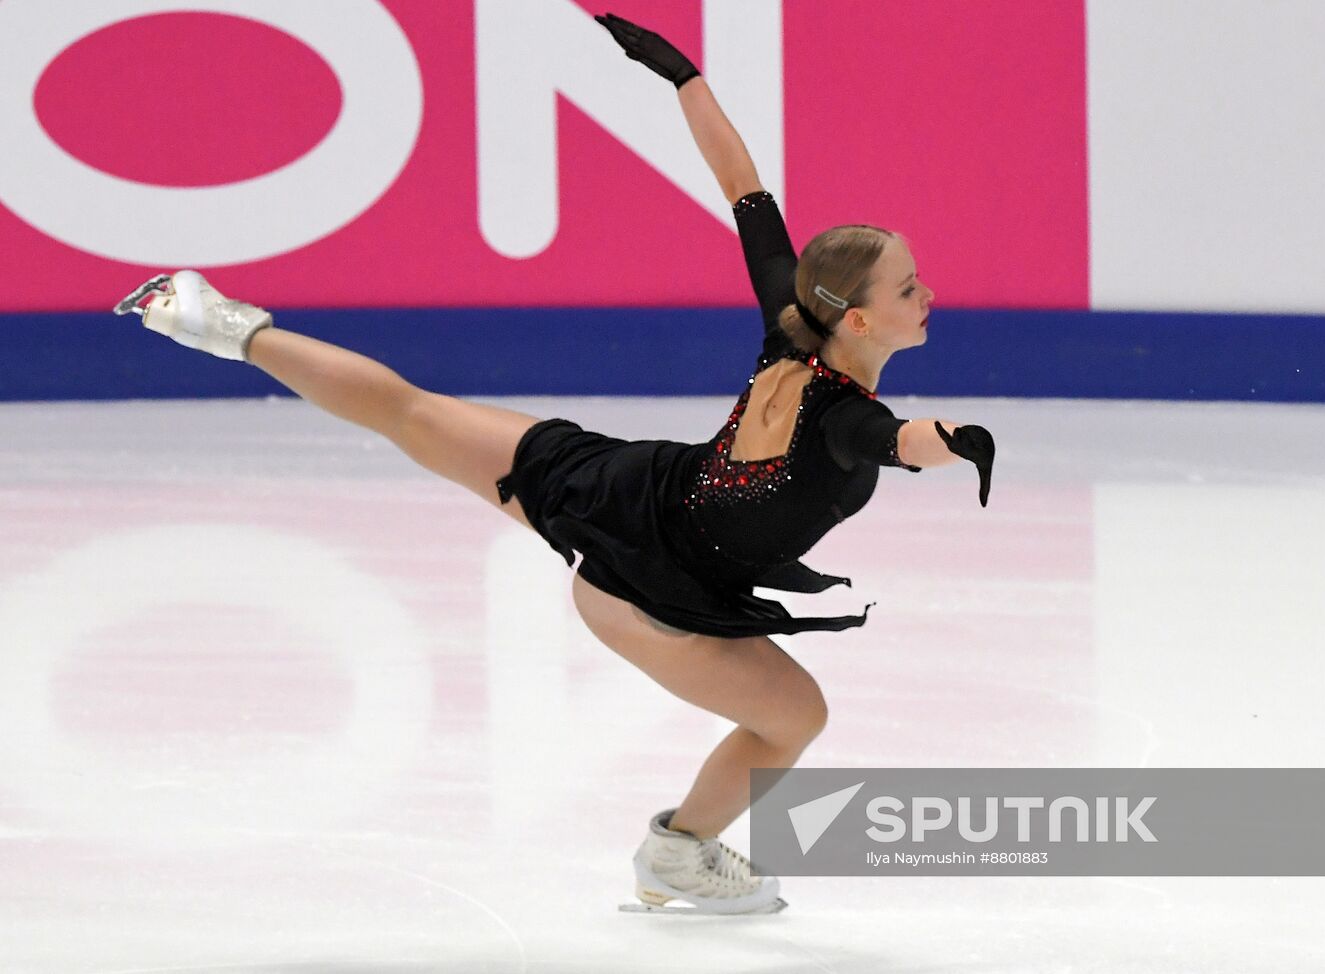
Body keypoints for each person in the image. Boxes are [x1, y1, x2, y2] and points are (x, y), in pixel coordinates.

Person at [113, 12, 994, 915]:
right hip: (652, 587)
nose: (929, 295)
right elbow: (893, 441)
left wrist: (684, 77)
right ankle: (679, 854)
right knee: (796, 717)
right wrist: (953, 441)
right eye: (910, 288)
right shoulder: (851, 415)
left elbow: (744, 186)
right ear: (857, 319)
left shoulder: (790, 321)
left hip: (619, 486)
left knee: (412, 413)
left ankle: (223, 325)